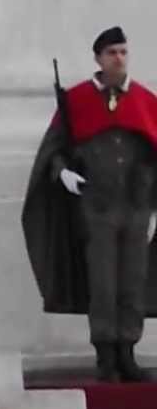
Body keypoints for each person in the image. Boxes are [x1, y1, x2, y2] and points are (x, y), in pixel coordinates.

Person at [23, 26, 157, 382]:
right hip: (95, 207)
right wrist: (62, 173)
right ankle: (106, 353)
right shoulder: (77, 101)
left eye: (123, 52)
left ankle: (128, 351)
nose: (119, 58)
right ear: (98, 58)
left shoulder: (145, 100)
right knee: (102, 282)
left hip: (136, 205)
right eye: (112, 52)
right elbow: (55, 149)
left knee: (133, 280)